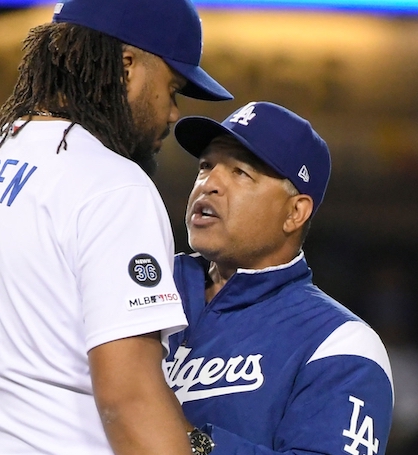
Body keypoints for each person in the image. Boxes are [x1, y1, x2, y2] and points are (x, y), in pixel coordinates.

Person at [0, 0, 233, 454]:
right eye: (173, 87)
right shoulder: (111, 184)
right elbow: (128, 400)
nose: (173, 113)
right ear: (126, 65)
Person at [164, 101, 394, 455]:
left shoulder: (338, 343)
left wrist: (188, 442)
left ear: (295, 212)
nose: (209, 184)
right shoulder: (146, 282)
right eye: (206, 165)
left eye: (240, 172)